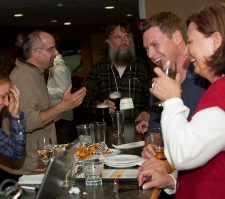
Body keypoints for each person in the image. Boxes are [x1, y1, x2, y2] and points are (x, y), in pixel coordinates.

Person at [138, 2, 225, 198]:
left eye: (191, 41)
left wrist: (172, 101)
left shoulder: (221, 96)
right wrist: (171, 181)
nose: (189, 50)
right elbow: (207, 160)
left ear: (216, 41)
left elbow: (182, 154)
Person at [0, 30, 86, 175]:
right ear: (35, 53)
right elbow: (25, 122)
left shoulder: (35, 73)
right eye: (51, 49)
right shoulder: (23, 77)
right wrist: (62, 107)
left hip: (35, 165)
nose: (56, 52)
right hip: (24, 170)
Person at [136, 12, 209, 144]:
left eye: (155, 45)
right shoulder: (160, 85)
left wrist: (168, 164)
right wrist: (150, 146)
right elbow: (154, 129)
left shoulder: (206, 78)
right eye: (147, 48)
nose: (150, 54)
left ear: (177, 37)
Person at [81, 19, 154, 122]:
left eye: (127, 37)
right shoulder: (98, 69)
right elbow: (84, 100)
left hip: (138, 128)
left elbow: (155, 97)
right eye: (118, 37)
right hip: (108, 130)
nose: (124, 42)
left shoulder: (142, 66)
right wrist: (100, 105)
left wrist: (149, 112)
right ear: (108, 41)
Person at [47, 34, 76, 144]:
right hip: (61, 114)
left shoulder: (57, 67)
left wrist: (45, 90)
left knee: (63, 148)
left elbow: (64, 92)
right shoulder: (60, 66)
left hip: (61, 115)